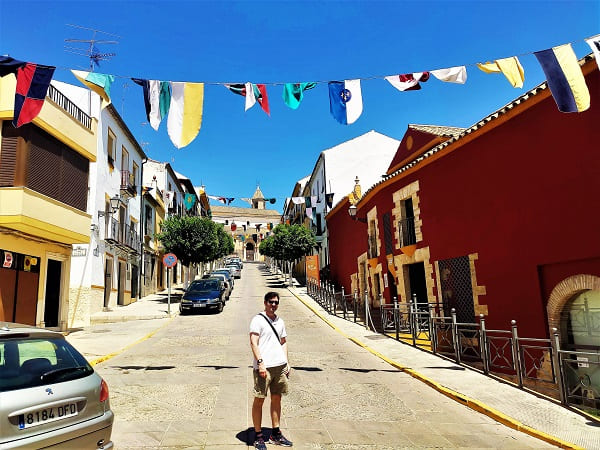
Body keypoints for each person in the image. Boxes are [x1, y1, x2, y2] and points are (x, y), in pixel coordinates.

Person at [249, 291, 293, 449]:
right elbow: (253, 342)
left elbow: (283, 342)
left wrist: (287, 362)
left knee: (277, 399)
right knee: (259, 400)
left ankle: (276, 434)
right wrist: (260, 363)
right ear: (265, 303)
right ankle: (258, 435)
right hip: (264, 368)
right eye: (270, 302)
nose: (273, 305)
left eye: (276, 302)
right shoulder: (257, 320)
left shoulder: (280, 321)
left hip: (279, 366)